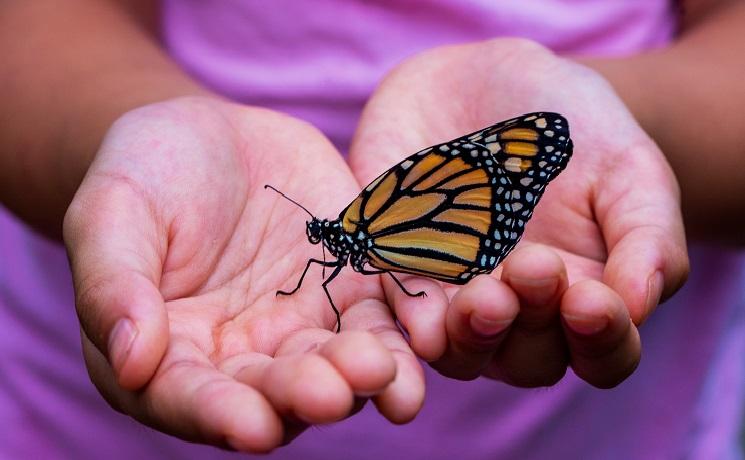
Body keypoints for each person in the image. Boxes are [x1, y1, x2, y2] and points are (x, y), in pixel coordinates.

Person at [1, 0, 743, 458]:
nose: (327, 242)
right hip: (76, 423)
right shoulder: (351, 236)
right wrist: (129, 140)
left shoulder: (368, 226)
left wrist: (630, 131)